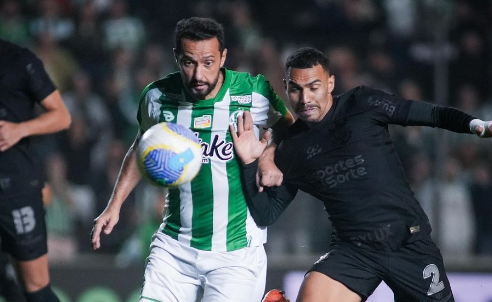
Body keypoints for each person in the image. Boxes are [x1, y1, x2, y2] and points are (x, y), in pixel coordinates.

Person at [230, 47, 492, 302]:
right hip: (353, 251)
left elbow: (433, 114)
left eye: (313, 87)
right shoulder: (292, 149)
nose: (305, 98)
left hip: (407, 242)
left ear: (330, 83)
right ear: (286, 88)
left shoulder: (363, 103)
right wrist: (250, 162)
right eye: (296, 89)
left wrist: (474, 125)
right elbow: (267, 213)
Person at [90, 17, 294, 302]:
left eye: (208, 62)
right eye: (189, 62)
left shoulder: (253, 92)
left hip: (234, 253)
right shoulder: (158, 96)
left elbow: (291, 130)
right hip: (174, 247)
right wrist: (115, 205)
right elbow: (142, 146)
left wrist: (269, 155)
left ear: (223, 57)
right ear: (176, 58)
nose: (199, 74)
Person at [0, 38, 71, 302]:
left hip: (16, 188)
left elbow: (62, 116)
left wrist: (20, 129)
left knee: (35, 286)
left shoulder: (19, 60)